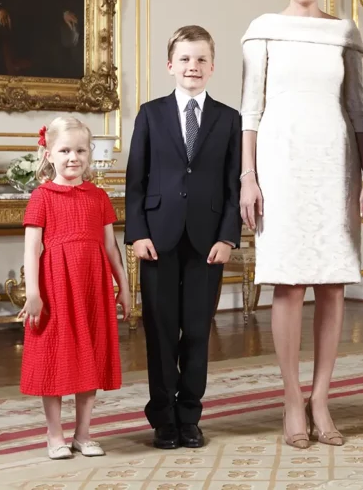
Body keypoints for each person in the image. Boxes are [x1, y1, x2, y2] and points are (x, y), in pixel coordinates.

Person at [240, 0, 363, 449]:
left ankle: (321, 398)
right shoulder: (263, 30)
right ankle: (292, 398)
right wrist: (248, 177)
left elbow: (358, 109)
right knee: (289, 283)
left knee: (333, 283)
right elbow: (250, 109)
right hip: (281, 163)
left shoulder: (346, 33)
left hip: (335, 162)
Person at [124, 26, 242, 450]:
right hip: (157, 239)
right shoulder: (150, 114)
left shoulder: (229, 119)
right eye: (185, 59)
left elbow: (234, 185)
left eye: (201, 59)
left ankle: (189, 415)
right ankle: (163, 418)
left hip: (207, 242)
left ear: (212, 67)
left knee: (195, 330)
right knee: (160, 332)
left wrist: (228, 237)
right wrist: (137, 233)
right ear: (170, 65)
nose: (193, 66)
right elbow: (135, 180)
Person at [19, 117, 131, 460]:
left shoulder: (98, 197)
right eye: (65, 150)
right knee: (54, 356)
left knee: (90, 355)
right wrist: (33, 293)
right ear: (49, 154)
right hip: (55, 288)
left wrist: (125, 287)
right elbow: (31, 248)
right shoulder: (42, 197)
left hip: (92, 288)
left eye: (81, 150)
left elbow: (110, 247)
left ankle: (83, 434)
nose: (73, 157)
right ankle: (55, 434)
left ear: (89, 153)